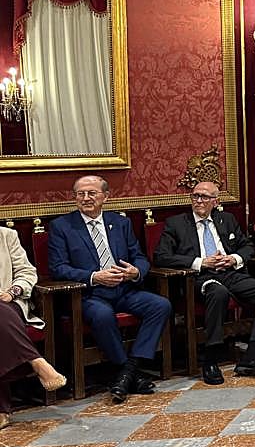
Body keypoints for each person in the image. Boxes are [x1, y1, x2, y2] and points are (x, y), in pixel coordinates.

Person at [48, 176, 170, 403]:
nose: (86, 198)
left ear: (105, 196)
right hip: (88, 295)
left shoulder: (120, 223)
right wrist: (94, 277)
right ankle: (127, 370)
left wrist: (136, 272)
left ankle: (129, 369)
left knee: (160, 305)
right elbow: (58, 268)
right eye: (80, 194)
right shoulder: (62, 226)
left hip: (124, 290)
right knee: (102, 315)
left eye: (92, 193)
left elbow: (139, 257)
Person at [155, 181, 255, 383]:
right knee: (218, 292)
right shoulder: (177, 223)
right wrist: (201, 262)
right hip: (198, 277)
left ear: (216, 201)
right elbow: (161, 256)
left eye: (204, 197)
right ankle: (210, 358)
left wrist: (234, 258)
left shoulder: (227, 219)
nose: (198, 201)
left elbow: (247, 246)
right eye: (195, 196)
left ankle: (251, 356)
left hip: (230, 273)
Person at [1, 226, 67, 429]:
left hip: (8, 302)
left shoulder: (6, 235)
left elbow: (27, 272)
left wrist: (13, 291)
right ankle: (35, 361)